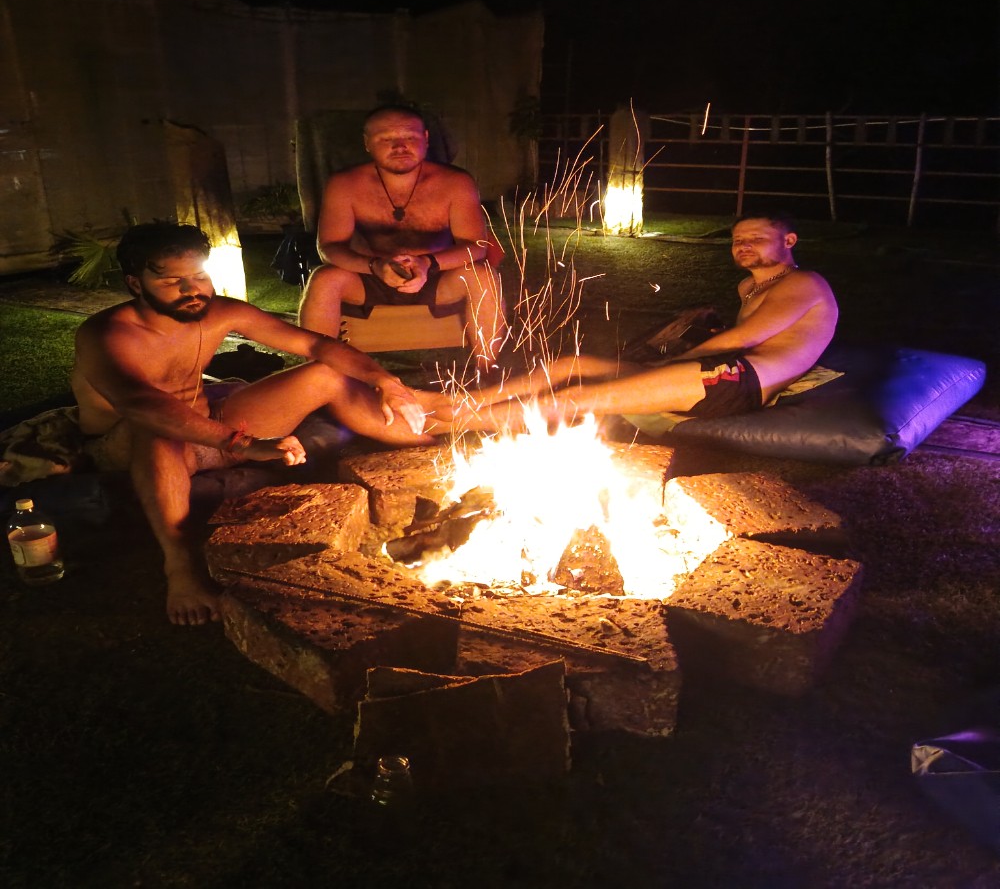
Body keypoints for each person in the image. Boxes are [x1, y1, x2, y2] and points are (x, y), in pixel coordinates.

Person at [72, 222, 437, 626]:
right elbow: (141, 404)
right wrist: (245, 444)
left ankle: (427, 443)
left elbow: (315, 344)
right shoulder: (106, 334)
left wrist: (384, 381)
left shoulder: (219, 311)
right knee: (157, 428)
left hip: (211, 424)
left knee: (324, 374)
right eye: (172, 281)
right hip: (130, 442)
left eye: (199, 276)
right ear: (135, 284)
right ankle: (180, 567)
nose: (192, 290)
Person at [431, 214, 839, 434]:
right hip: (717, 371)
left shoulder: (804, 282)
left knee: (576, 397)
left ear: (788, 241)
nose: (743, 246)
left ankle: (446, 425)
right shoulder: (748, 286)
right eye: (737, 240)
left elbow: (747, 337)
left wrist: (671, 363)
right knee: (571, 364)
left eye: (756, 238)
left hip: (740, 382)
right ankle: (463, 402)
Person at [297, 104, 507, 373]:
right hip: (368, 277)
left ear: (426, 139)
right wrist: (375, 266)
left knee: (482, 275)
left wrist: (427, 263)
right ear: (367, 143)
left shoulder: (455, 183)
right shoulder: (346, 184)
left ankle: (487, 373)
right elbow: (329, 247)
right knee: (324, 279)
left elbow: (476, 246)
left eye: (410, 136)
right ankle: (316, 376)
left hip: (436, 277)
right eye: (386, 138)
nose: (399, 146)